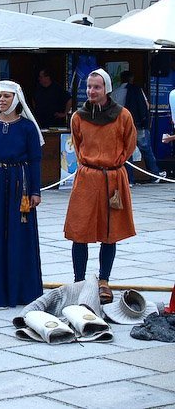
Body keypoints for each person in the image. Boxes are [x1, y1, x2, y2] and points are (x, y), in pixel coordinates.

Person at [64, 69, 137, 305]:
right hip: (87, 178)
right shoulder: (78, 117)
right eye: (89, 86)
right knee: (79, 231)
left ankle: (104, 280)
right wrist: (92, 165)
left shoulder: (123, 116)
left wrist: (113, 165)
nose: (91, 91)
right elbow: (78, 145)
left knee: (109, 232)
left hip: (112, 178)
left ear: (106, 88)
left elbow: (129, 144)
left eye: (96, 87)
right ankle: (79, 281)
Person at [0, 80, 45, 307]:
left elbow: (35, 160)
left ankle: (20, 288)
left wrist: (35, 190)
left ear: (16, 100)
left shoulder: (27, 128)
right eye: (0, 96)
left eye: (6, 96)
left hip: (20, 186)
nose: (2, 100)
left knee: (19, 234)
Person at [112, 70, 165, 184]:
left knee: (127, 152)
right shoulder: (137, 90)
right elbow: (146, 106)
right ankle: (154, 175)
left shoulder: (115, 92)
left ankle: (129, 179)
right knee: (146, 150)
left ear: (121, 79)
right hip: (138, 125)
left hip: (123, 126)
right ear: (131, 79)